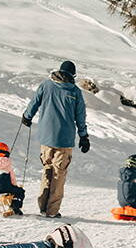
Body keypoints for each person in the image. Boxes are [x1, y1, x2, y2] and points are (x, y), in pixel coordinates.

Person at [21, 59, 89, 218]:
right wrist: (83, 136)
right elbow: (80, 117)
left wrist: (27, 116)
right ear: (73, 75)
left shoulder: (46, 85)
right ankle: (52, 211)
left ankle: (42, 206)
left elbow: (34, 102)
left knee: (47, 170)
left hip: (46, 137)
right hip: (64, 140)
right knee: (59, 174)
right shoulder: (75, 92)